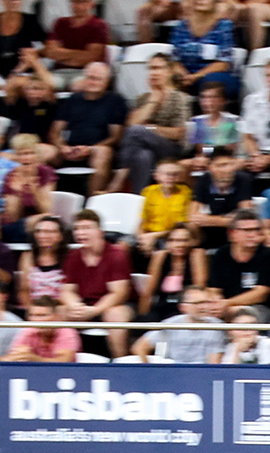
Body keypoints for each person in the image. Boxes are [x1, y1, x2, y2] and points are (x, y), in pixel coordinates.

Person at [61, 212, 136, 359]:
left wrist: (94, 310)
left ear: (100, 232)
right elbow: (66, 290)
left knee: (115, 314)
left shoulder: (116, 254)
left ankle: (120, 361)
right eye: (77, 229)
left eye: (86, 228)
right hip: (86, 305)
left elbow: (119, 293)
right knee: (59, 312)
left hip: (115, 305)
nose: (81, 233)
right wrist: (76, 306)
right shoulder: (73, 256)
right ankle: (66, 360)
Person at [50, 63, 129, 197]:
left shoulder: (115, 101)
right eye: (91, 77)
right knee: (41, 151)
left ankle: (92, 201)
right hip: (70, 149)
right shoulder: (72, 100)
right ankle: (48, 202)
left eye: (98, 79)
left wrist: (90, 148)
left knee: (103, 153)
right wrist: (62, 147)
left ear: (107, 81)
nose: (93, 82)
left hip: (97, 149)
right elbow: (54, 132)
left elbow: (116, 137)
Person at [117, 58, 192, 194]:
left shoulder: (181, 98)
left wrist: (150, 128)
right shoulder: (143, 98)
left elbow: (180, 133)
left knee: (137, 131)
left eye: (158, 68)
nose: (154, 72)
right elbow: (130, 125)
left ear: (169, 72)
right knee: (144, 155)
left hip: (172, 148)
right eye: (151, 68)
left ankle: (119, 177)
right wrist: (153, 100)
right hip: (147, 149)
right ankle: (139, 198)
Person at [208, 211, 270, 324]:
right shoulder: (222, 254)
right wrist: (217, 303)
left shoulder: (265, 255)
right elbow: (214, 289)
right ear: (232, 233)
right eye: (247, 230)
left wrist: (227, 303)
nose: (252, 234)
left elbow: (261, 294)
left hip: (259, 308)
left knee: (239, 315)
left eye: (256, 230)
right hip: (225, 307)